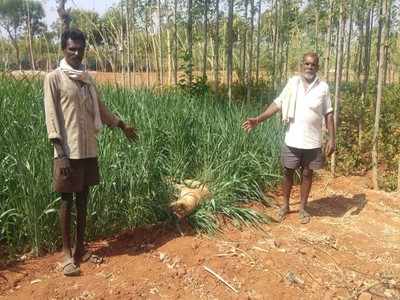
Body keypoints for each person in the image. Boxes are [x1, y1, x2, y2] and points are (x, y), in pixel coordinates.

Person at [44, 29, 137, 276]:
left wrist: (121, 125)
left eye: (80, 48)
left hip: (87, 148)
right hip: (67, 150)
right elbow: (51, 116)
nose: (76, 53)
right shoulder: (54, 78)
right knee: (66, 200)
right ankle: (66, 255)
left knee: (83, 199)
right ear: (63, 49)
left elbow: (101, 109)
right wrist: (59, 152)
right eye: (71, 48)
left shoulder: (86, 79)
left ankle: (80, 249)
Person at [242, 52, 335, 224]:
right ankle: (285, 206)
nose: (309, 67)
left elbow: (329, 113)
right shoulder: (293, 84)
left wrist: (331, 138)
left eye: (313, 65)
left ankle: (303, 208)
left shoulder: (323, 87)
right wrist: (258, 119)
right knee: (287, 172)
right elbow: (278, 103)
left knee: (307, 173)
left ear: (317, 67)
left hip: (313, 141)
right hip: (292, 139)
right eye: (306, 64)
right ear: (302, 65)